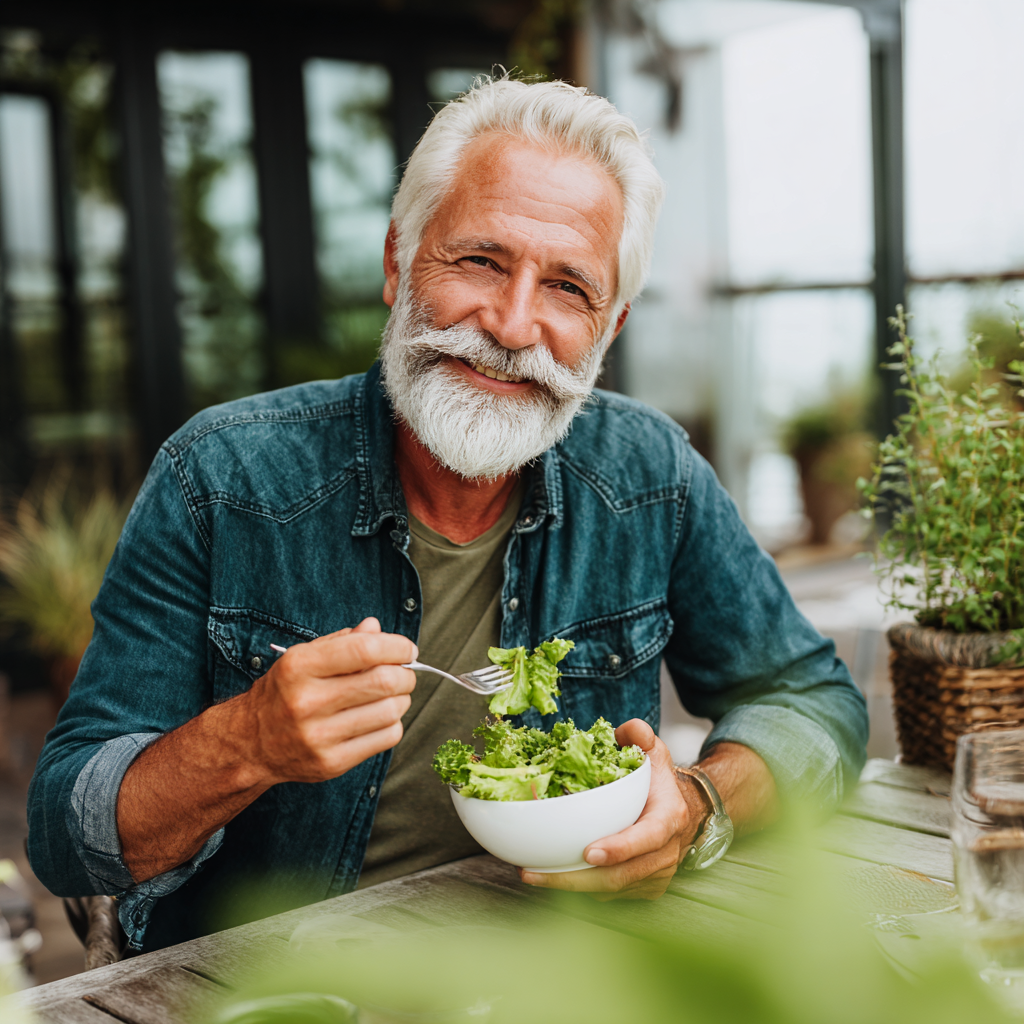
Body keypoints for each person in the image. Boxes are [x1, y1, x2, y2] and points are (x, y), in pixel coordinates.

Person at [28, 77, 868, 952]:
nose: (512, 326)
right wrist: (248, 741)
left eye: (567, 289)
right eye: (481, 262)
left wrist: (696, 805)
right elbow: (64, 832)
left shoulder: (648, 474)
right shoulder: (220, 476)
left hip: (566, 967)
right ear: (399, 264)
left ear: (609, 328)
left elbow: (813, 700)